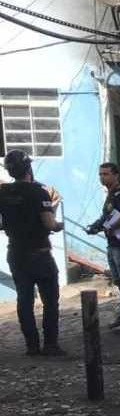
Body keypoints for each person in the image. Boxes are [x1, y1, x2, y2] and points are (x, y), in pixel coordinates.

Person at [0, 150, 65, 356]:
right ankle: (51, 345)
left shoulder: (3, 193)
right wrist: (57, 222)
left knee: (24, 300)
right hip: (40, 254)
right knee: (50, 300)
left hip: (16, 254)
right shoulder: (39, 192)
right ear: (28, 167)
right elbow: (49, 223)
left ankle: (32, 346)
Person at [87, 162, 120, 330]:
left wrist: (110, 227)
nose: (103, 177)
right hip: (113, 245)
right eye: (101, 174)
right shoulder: (110, 196)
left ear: (116, 175)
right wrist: (96, 226)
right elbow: (107, 217)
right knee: (119, 282)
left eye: (106, 174)